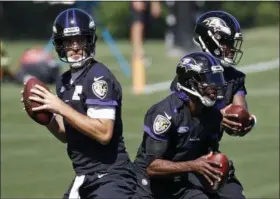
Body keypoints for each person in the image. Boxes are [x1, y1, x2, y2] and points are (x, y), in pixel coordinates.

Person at [21, 8, 136, 199]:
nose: (74, 47)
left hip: (111, 177)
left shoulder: (98, 77)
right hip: (84, 177)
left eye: (80, 40)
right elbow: (67, 134)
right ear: (60, 44)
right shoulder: (64, 81)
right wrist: (44, 113)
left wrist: (59, 107)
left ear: (89, 41)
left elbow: (104, 132)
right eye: (68, 41)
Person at [133, 52, 244, 199]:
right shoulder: (164, 114)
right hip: (147, 185)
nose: (215, 87)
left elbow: (207, 153)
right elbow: (151, 167)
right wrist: (193, 166)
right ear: (190, 82)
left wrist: (217, 165)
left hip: (180, 183)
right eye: (209, 80)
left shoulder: (213, 116)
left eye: (216, 79)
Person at [170, 11, 257, 136]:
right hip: (178, 148)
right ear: (210, 40)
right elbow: (179, 117)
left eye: (233, 43)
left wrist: (245, 121)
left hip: (207, 147)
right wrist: (217, 116)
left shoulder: (235, 78)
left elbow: (238, 116)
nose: (232, 49)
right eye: (227, 42)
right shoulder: (190, 72)